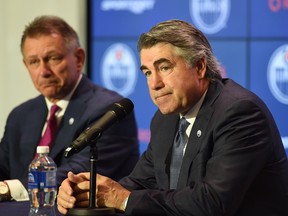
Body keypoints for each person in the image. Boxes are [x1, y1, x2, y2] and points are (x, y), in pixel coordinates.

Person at [57, 19, 288, 216]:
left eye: (164, 67)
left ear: (199, 67)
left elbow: (214, 202)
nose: (154, 84)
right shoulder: (165, 119)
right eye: (147, 72)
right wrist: (87, 192)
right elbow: (142, 182)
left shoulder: (239, 113)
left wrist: (121, 199)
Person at [0, 15, 139, 202]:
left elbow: (76, 176)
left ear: (79, 58)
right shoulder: (21, 115)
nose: (43, 71)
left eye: (53, 58)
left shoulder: (108, 111)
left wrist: (9, 188)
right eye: (34, 62)